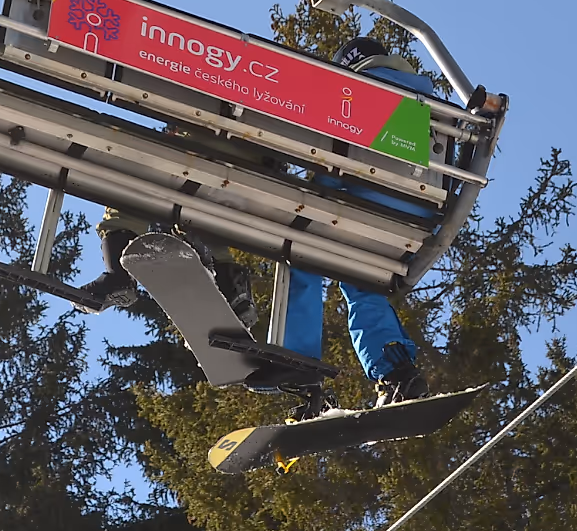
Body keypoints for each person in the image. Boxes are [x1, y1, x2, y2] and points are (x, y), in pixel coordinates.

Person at [279, 36, 435, 419]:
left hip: (364, 205)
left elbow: (335, 165)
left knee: (298, 252)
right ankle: (397, 372)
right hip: (412, 222)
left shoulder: (351, 97)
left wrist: (316, 196)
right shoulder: (427, 104)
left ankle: (301, 371)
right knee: (363, 285)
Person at [80, 207, 258, 329]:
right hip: (241, 171)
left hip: (172, 164)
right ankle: (231, 289)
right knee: (208, 223)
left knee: (120, 210)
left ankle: (118, 277)